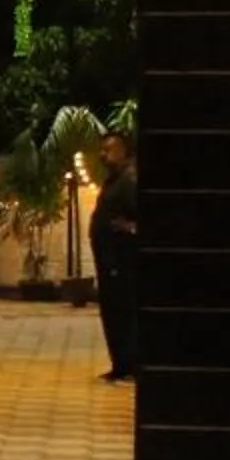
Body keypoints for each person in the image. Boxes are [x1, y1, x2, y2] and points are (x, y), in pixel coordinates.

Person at [92, 132, 140, 382]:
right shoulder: (113, 180)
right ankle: (120, 364)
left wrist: (128, 228)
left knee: (124, 313)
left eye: (109, 149)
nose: (103, 154)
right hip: (110, 261)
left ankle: (130, 365)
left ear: (124, 151)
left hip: (123, 263)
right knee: (113, 314)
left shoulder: (130, 180)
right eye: (102, 149)